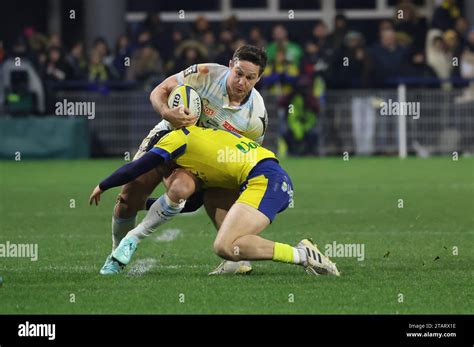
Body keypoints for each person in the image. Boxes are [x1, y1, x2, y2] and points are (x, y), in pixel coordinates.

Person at [101, 45, 269, 275]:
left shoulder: (255, 117)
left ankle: (235, 258)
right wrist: (166, 112)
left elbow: (246, 156)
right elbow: (160, 90)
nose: (241, 82)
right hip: (168, 137)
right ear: (230, 65)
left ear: (259, 78)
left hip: (199, 160)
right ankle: (116, 251)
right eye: (238, 73)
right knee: (130, 196)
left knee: (188, 192)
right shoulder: (205, 74)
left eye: (250, 78)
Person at [89, 125, 340, 277]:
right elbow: (192, 204)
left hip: (265, 181)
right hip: (267, 177)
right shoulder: (201, 140)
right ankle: (241, 264)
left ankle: (302, 255)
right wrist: (145, 204)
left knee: (225, 246)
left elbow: (136, 168)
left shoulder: (175, 139)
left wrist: (103, 185)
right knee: (222, 220)